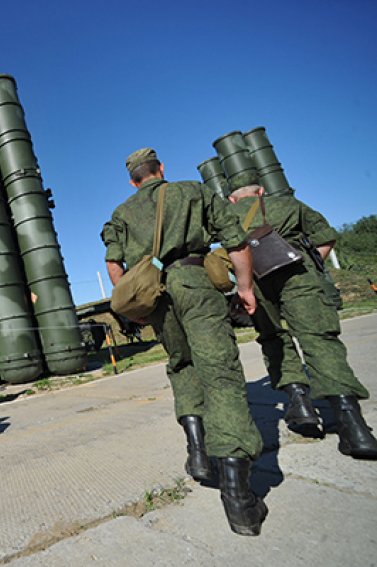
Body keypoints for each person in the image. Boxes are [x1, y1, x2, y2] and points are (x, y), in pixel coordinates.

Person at [102, 149, 267, 536]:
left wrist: (137, 307)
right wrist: (245, 287)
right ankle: (239, 500)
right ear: (160, 169)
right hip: (195, 282)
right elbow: (236, 241)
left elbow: (114, 265)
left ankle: (198, 455)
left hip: (157, 298)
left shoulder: (122, 213)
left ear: (133, 180)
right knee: (220, 373)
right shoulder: (192, 191)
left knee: (182, 365)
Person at [227, 180, 377, 458]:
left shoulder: (227, 216)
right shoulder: (288, 203)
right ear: (260, 191)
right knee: (319, 339)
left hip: (254, 281)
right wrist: (309, 263)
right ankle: (354, 429)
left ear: (232, 199)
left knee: (273, 338)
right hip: (298, 273)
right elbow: (325, 236)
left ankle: (300, 406)